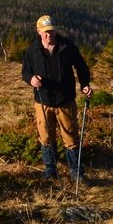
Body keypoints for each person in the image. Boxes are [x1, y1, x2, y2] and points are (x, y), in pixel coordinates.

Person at [21, 14, 93, 181]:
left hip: (65, 100)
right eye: (45, 31)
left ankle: (75, 171)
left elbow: (81, 66)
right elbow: (25, 72)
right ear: (38, 31)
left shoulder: (67, 46)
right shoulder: (33, 50)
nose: (49, 34)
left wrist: (85, 84)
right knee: (45, 136)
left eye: (51, 31)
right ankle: (50, 170)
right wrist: (31, 79)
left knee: (70, 136)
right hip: (43, 100)